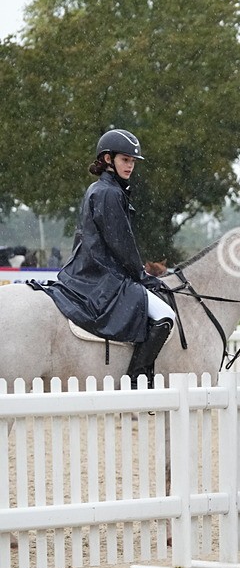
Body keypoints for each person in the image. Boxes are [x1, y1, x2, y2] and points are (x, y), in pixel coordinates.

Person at [34, 129, 176, 386]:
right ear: (108, 159)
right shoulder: (110, 193)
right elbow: (121, 244)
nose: (130, 166)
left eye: (132, 161)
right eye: (125, 160)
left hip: (88, 270)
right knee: (166, 316)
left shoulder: (99, 188)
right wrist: (142, 277)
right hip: (103, 276)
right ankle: (136, 380)